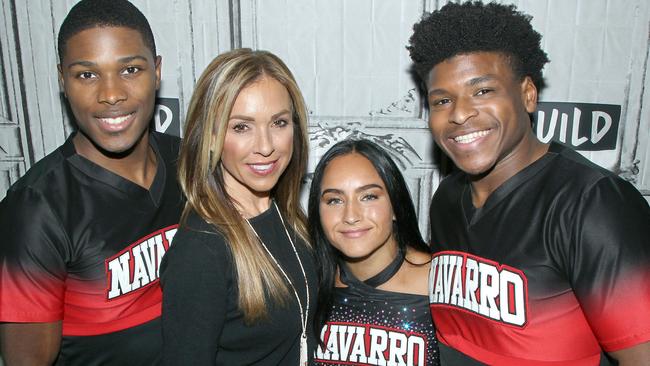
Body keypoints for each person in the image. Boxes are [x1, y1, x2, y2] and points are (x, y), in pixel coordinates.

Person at [407, 2, 650, 365]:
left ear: (527, 94)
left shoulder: (591, 203)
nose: (459, 113)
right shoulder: (447, 196)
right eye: (442, 100)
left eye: (483, 91)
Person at [0, 0, 183, 365]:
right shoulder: (36, 209)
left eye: (130, 69)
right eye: (87, 74)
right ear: (62, 80)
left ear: (157, 71)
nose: (111, 94)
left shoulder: (188, 161)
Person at [160, 48, 316, 365]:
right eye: (242, 127)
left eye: (279, 122)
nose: (266, 146)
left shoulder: (289, 217)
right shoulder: (203, 250)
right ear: (212, 133)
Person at [308, 139, 440, 366]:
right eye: (335, 200)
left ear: (395, 206)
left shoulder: (441, 283)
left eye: (368, 196)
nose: (351, 215)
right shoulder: (308, 282)